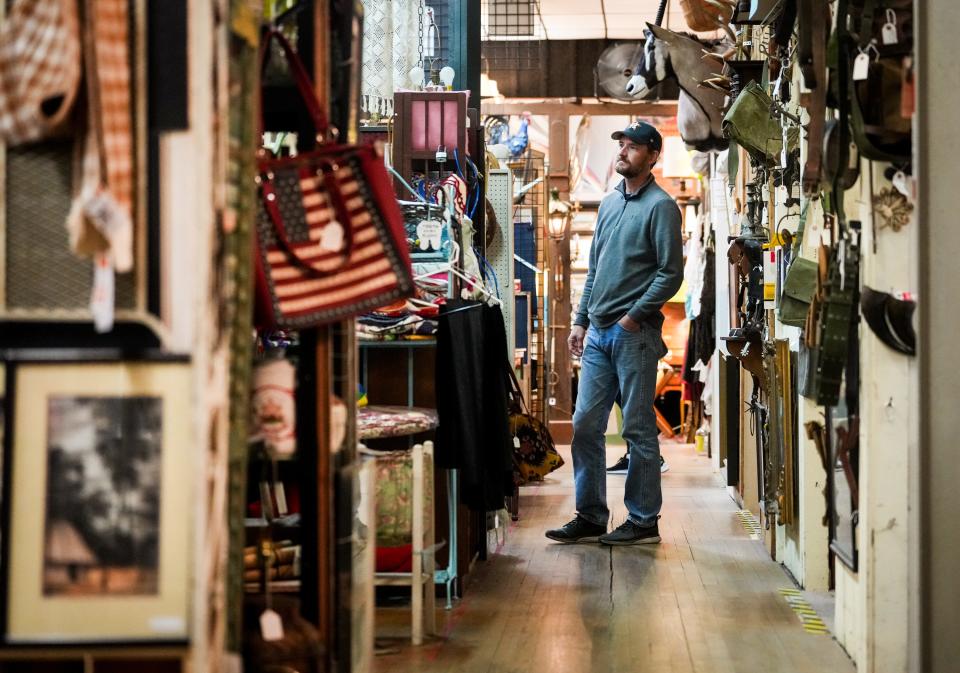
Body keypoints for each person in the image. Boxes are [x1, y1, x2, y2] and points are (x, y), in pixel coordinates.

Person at [546, 120, 683, 546]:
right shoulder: (608, 204)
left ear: (653, 155)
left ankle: (643, 521)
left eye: (633, 146)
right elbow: (596, 270)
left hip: (632, 334)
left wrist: (634, 317)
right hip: (599, 335)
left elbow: (670, 273)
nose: (623, 150)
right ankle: (590, 514)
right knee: (586, 424)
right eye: (621, 144)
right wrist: (581, 321)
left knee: (638, 429)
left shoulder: (662, 206)